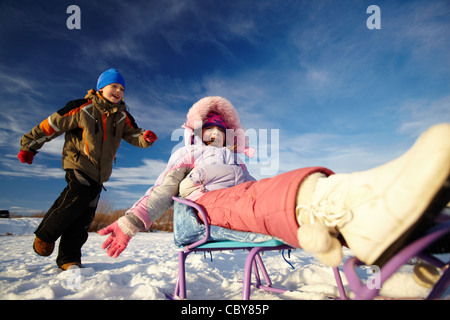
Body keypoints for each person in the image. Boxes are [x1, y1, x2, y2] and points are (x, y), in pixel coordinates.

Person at [99, 96, 450, 268]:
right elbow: (162, 189)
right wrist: (130, 223)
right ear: (196, 133)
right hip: (203, 209)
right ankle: (357, 209)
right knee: (254, 197)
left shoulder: (236, 161)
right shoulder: (187, 155)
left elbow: (259, 193)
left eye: (220, 132)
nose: (214, 137)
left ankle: (401, 228)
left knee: (269, 189)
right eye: (207, 131)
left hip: (238, 201)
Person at [18, 68, 158, 270]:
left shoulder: (122, 115)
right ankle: (45, 235)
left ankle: (69, 259)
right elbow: (51, 125)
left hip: (100, 173)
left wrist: (145, 138)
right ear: (101, 88)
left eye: (122, 88)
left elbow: (134, 133)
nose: (118, 91)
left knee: (85, 216)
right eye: (114, 86)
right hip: (78, 163)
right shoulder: (82, 107)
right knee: (78, 195)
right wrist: (29, 145)